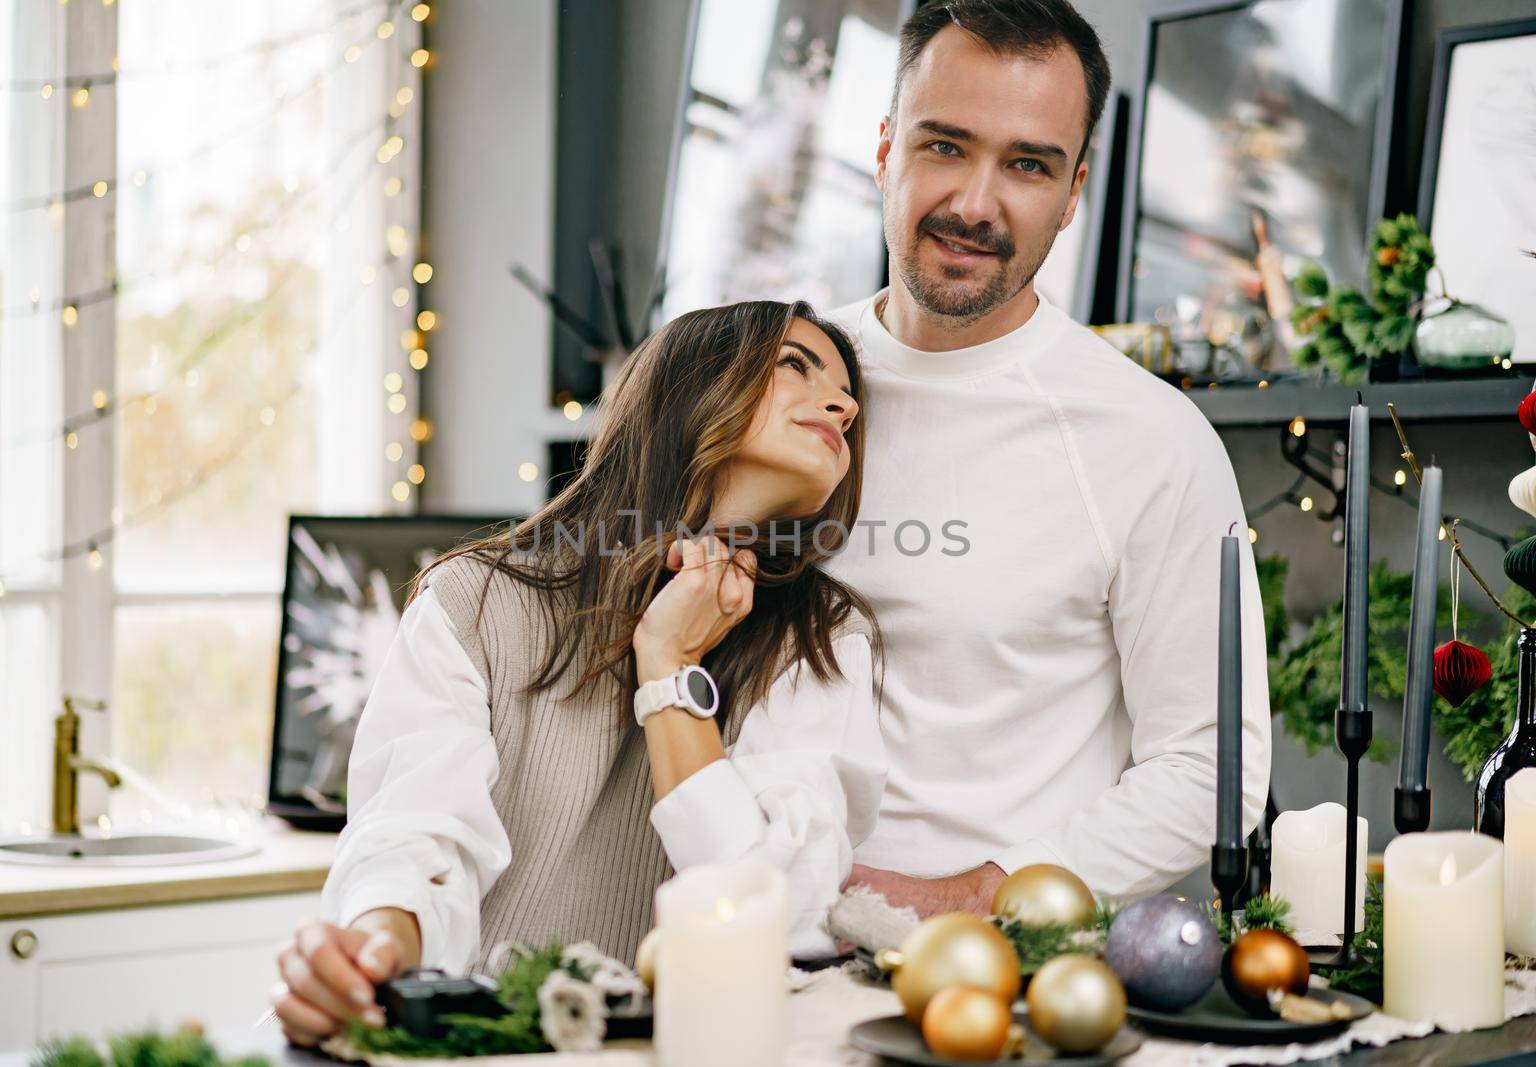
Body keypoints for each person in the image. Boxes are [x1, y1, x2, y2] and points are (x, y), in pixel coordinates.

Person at [267, 300, 887, 1047]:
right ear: (692, 385)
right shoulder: (476, 599)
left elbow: (782, 908)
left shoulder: (822, 639)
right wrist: (371, 950)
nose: (845, 405)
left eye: (849, 397)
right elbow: (413, 835)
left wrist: (669, 673)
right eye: (796, 364)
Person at [825, 0, 1271, 917]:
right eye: (944, 145)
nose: (975, 205)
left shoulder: (1151, 438)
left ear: (1073, 193)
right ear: (883, 149)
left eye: (1026, 164)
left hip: (1005, 989)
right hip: (740, 953)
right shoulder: (764, 389)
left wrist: (972, 896)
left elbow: (1211, 768)